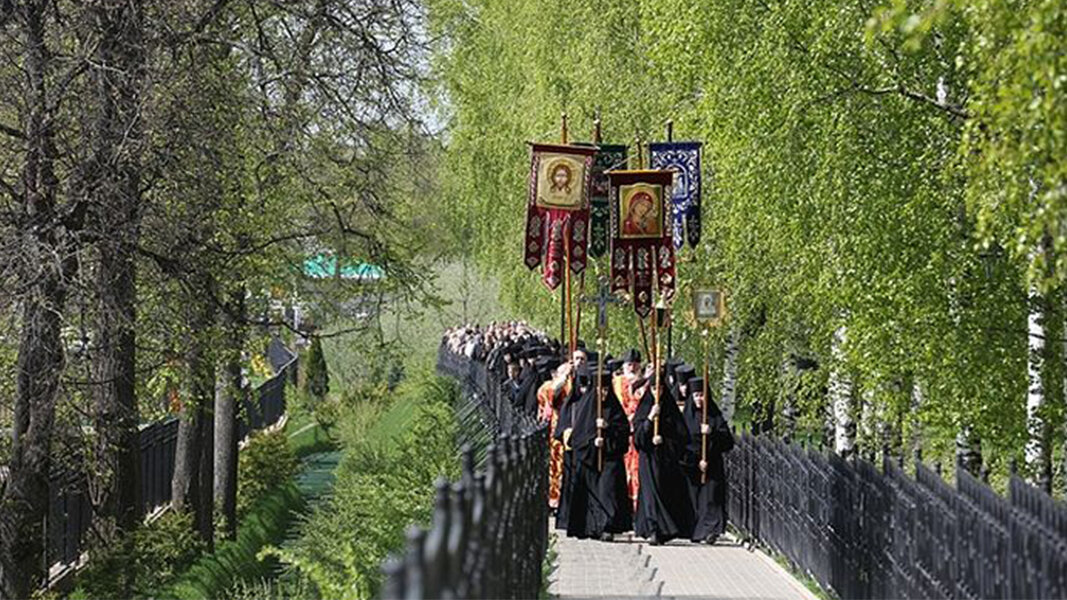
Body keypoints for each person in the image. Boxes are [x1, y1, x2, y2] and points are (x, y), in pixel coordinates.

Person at [555, 364, 633, 540]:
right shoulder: (587, 408)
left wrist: (608, 431)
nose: (603, 394)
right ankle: (591, 527)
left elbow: (623, 435)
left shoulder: (614, 410)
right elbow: (577, 439)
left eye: (606, 390)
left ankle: (608, 526)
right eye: (600, 389)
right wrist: (592, 441)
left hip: (609, 459)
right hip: (590, 460)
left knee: (608, 490)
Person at [632, 366, 695, 545]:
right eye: (653, 389)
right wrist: (650, 420)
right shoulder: (645, 407)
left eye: (659, 388)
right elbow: (637, 438)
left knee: (665, 492)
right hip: (649, 459)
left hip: (666, 461)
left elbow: (682, 436)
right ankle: (653, 529)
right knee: (651, 494)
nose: (656, 392)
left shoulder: (670, 409)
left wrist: (665, 440)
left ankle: (665, 530)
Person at [681, 376, 735, 544]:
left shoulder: (714, 415)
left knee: (711, 498)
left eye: (701, 395)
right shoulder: (686, 417)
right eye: (696, 395)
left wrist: (712, 432)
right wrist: (695, 460)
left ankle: (711, 531)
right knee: (693, 499)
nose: (699, 399)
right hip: (691, 465)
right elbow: (681, 441)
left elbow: (728, 442)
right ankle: (695, 531)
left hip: (712, 465)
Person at [612, 349, 643, 510]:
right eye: (629, 364)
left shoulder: (643, 383)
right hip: (620, 431)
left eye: (635, 365)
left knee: (636, 470)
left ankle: (636, 505)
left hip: (637, 432)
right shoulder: (616, 382)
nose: (632, 368)